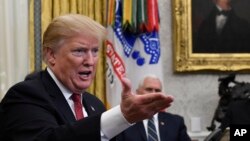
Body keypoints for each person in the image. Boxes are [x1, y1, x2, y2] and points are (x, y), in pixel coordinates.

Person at [0, 14, 174, 141]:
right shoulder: (26, 95)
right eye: (80, 51)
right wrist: (121, 116)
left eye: (95, 51)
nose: (90, 61)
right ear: (51, 55)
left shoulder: (94, 104)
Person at [116, 75, 191, 141]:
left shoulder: (176, 122)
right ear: (137, 92)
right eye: (149, 89)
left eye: (157, 90)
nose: (154, 93)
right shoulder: (125, 123)